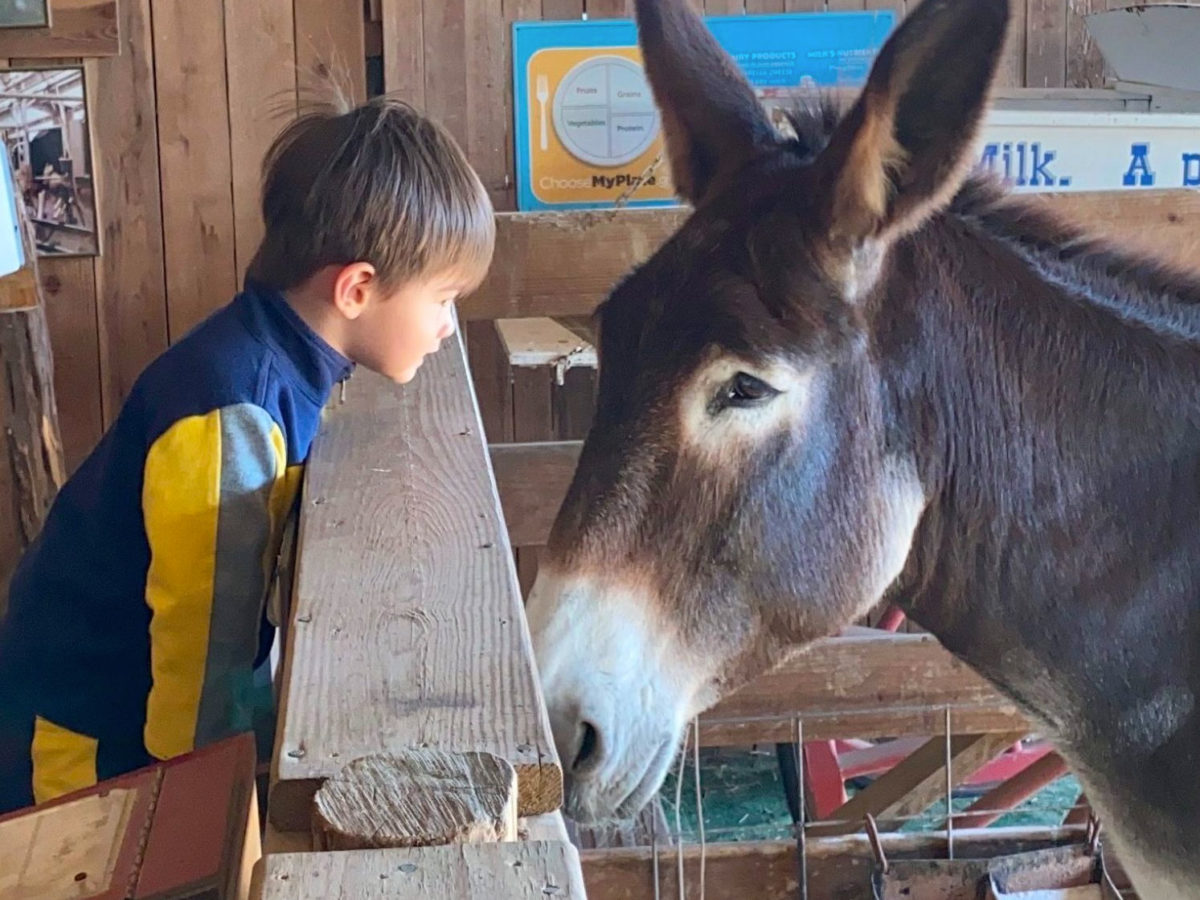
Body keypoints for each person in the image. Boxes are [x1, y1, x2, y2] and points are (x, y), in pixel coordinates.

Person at [0, 95, 495, 814]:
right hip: (80, 723)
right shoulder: (233, 411)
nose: (449, 326)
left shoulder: (278, 364)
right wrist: (213, 796)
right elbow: (199, 650)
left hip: (121, 702)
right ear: (357, 289)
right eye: (444, 298)